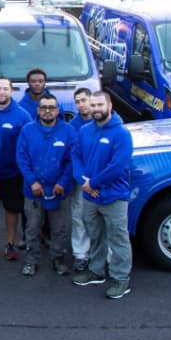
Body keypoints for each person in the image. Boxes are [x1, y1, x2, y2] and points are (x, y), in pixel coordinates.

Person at [72, 91, 134, 299]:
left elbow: (118, 165)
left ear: (110, 105)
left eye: (100, 105)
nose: (96, 109)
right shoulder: (84, 131)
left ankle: (121, 278)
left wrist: (93, 183)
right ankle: (96, 271)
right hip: (90, 196)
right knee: (95, 235)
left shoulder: (121, 133)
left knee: (118, 238)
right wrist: (83, 182)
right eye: (93, 105)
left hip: (114, 196)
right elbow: (76, 156)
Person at [15, 94, 74, 278]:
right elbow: (21, 158)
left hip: (59, 190)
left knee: (59, 228)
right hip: (33, 190)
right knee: (32, 228)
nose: (47, 111)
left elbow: (72, 160)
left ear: (57, 110)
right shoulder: (27, 131)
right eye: (44, 107)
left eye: (51, 107)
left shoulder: (68, 131)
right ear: (38, 110)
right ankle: (31, 260)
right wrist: (32, 181)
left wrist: (62, 182)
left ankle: (58, 259)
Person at [0, 77, 32, 261]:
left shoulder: (22, 116)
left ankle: (10, 243)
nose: (1, 92)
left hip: (13, 173)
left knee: (12, 210)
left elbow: (27, 145)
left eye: (5, 88)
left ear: (11, 91)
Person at [68, 87, 94, 272]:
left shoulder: (102, 122)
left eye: (84, 100)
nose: (81, 104)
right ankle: (80, 254)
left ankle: (103, 255)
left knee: (102, 218)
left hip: (101, 179)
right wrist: (82, 178)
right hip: (81, 181)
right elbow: (73, 155)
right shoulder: (73, 127)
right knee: (79, 217)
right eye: (77, 102)